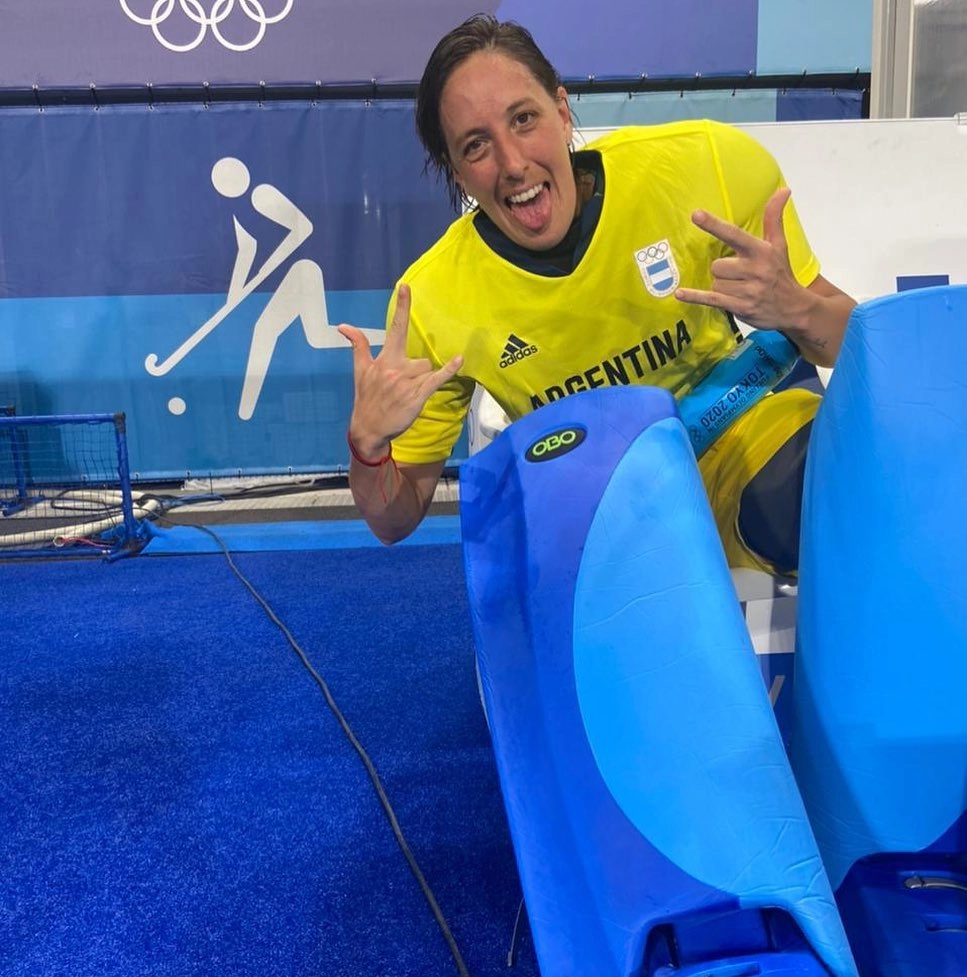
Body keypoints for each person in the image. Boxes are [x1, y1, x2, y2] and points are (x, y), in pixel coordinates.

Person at [337, 14, 856, 575]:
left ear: (562, 112)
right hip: (599, 507)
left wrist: (798, 311)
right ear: (457, 173)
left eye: (524, 119)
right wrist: (368, 445)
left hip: (742, 438)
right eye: (476, 145)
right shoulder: (432, 300)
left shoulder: (705, 164)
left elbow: (850, 345)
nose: (513, 164)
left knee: (849, 486)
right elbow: (394, 520)